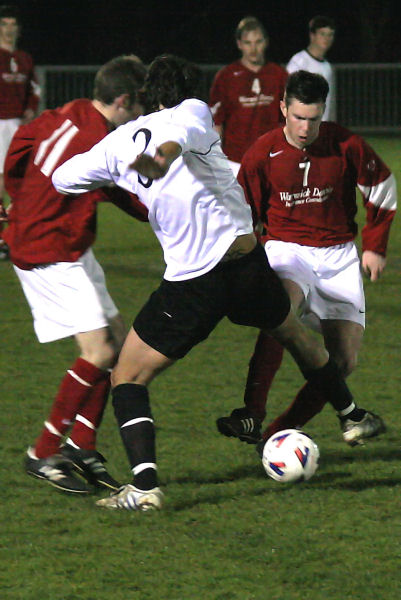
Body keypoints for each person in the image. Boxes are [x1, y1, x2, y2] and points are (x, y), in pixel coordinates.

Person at [53, 54, 370, 513]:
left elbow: (65, 178)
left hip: (194, 284)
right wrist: (140, 163)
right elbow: (174, 141)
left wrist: (124, 167)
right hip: (246, 266)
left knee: (127, 376)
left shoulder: (123, 141)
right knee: (294, 335)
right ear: (190, 91)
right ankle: (351, 415)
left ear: (147, 96)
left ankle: (145, 489)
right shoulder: (196, 111)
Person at [216, 70, 396, 449]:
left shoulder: (345, 144)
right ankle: (252, 413)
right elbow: (241, 209)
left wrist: (375, 246)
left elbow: (382, 185)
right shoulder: (263, 152)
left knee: (344, 361)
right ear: (283, 108)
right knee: (281, 312)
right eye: (298, 117)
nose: (304, 127)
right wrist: (241, 257)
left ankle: (276, 436)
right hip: (286, 248)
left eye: (313, 119)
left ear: (323, 113)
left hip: (339, 255)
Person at [4, 55, 148, 494]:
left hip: (62, 242)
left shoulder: (65, 114)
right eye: (140, 104)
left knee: (119, 341)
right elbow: (127, 192)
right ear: (123, 100)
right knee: (100, 350)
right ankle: (43, 451)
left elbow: (18, 150)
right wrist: (160, 215)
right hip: (49, 249)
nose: (142, 113)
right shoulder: (99, 141)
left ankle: (82, 443)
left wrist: (19, 198)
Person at [209, 16, 287, 175]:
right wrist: (215, 159)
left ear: (266, 42)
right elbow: (217, 123)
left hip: (271, 158)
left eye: (258, 42)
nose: (253, 48)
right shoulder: (226, 76)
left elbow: (287, 119)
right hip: (235, 161)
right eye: (248, 43)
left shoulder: (279, 75)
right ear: (239, 44)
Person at [0, 4, 40, 259]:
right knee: (2, 182)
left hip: (17, 125)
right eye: (5, 24)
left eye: (13, 24)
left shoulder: (24, 58)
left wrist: (31, 108)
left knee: (20, 182)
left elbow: (34, 88)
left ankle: (12, 237)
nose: (10, 28)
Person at [286, 15, 336, 121]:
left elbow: (329, 100)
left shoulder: (327, 67)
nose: (326, 39)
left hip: (321, 126)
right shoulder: (299, 62)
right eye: (322, 34)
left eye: (330, 35)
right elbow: (288, 95)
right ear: (312, 35)